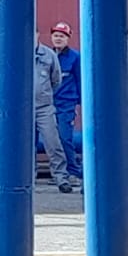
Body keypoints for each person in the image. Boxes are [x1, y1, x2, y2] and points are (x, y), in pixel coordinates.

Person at [34, 38, 71, 192]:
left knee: (53, 143)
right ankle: (28, 178)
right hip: (23, 109)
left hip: (44, 108)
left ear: (37, 34)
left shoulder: (49, 55)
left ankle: (61, 177)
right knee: (24, 147)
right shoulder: (18, 53)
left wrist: (44, 95)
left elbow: (56, 80)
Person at [50, 22, 83, 184]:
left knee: (65, 138)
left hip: (66, 104)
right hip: (48, 104)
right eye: (56, 35)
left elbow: (80, 80)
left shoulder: (75, 57)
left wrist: (80, 103)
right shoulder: (47, 56)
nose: (58, 39)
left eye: (62, 36)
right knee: (52, 140)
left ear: (68, 38)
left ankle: (73, 171)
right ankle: (59, 173)